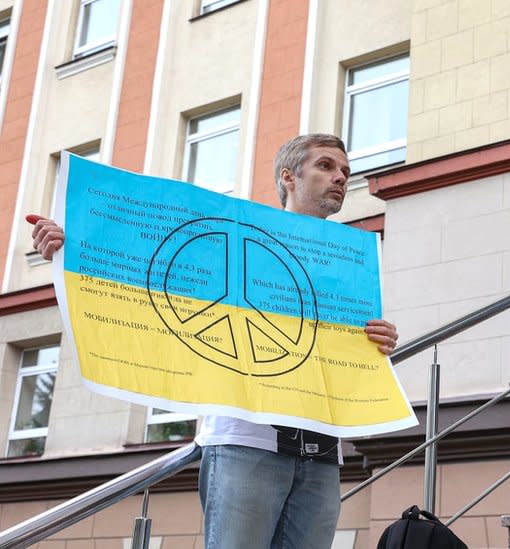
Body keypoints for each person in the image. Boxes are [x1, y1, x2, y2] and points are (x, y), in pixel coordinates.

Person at [29, 133, 398, 549]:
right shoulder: (238, 240)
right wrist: (71, 244)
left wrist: (379, 346)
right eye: (327, 166)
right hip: (247, 443)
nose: (341, 178)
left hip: (322, 453)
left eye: (346, 172)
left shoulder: (347, 267)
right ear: (289, 177)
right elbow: (150, 263)